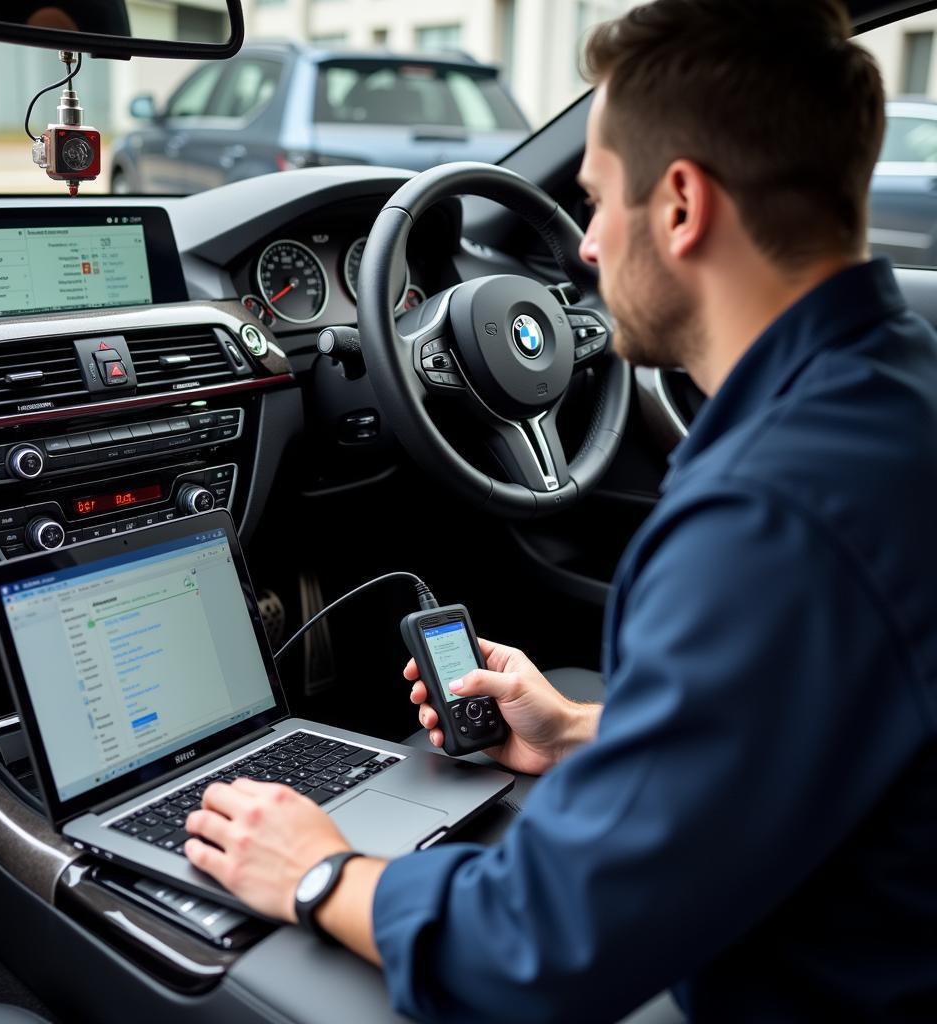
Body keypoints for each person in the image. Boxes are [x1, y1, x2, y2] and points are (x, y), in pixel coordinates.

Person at [183, 0, 937, 1019]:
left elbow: (541, 948)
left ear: (679, 205)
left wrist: (317, 870)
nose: (581, 249)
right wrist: (586, 732)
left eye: (594, 201)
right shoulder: (896, 390)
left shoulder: (770, 517)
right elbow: (809, 717)